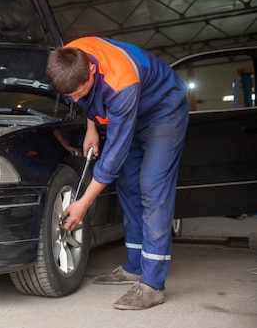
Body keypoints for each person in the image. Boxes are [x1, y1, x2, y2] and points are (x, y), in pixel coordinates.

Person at [46, 36, 189, 310]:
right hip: (125, 113)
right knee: (128, 186)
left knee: (152, 188)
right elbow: (89, 98)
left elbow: (114, 155)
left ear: (91, 70)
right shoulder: (69, 57)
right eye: (69, 96)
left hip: (162, 111)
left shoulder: (122, 80)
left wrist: (83, 204)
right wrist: (91, 129)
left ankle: (152, 285)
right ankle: (135, 266)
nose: (75, 99)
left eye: (79, 91)